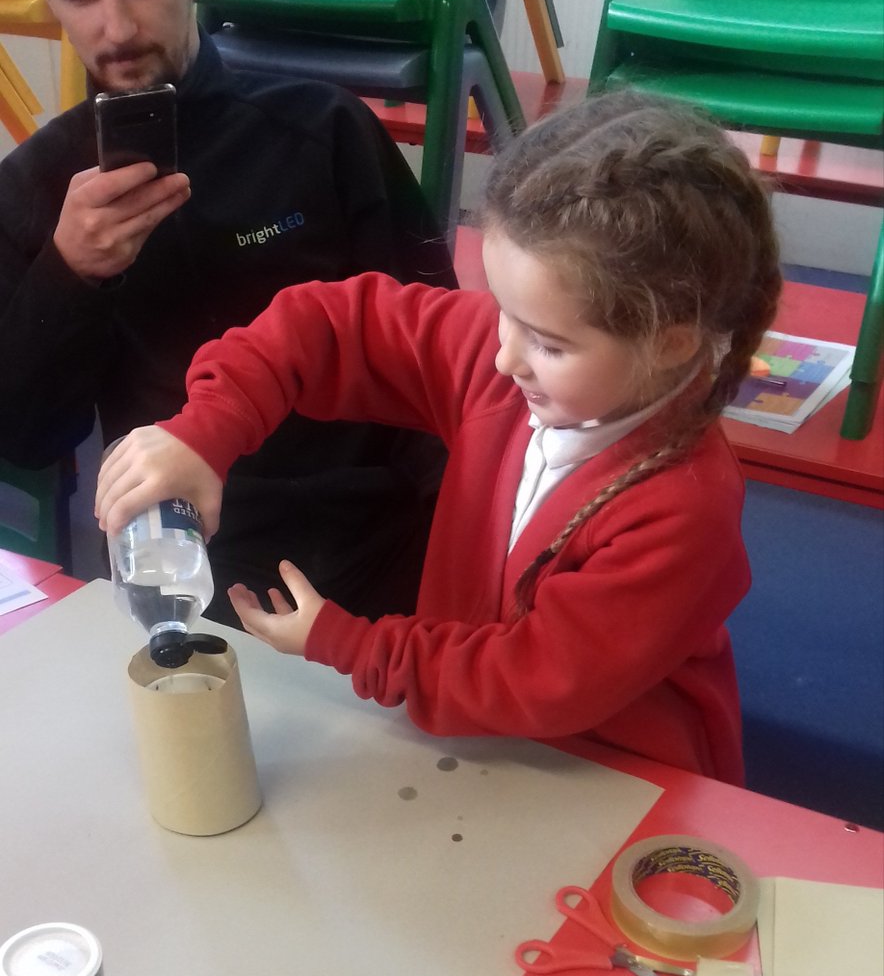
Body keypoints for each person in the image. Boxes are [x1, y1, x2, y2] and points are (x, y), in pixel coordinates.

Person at [96, 90, 782, 784]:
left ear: (670, 344)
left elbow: (539, 678)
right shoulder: (509, 366)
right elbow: (324, 325)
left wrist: (351, 645)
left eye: (547, 343)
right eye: (503, 312)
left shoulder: (681, 505)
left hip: (611, 775)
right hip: (476, 740)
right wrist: (206, 431)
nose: (505, 355)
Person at [0, 0, 455, 624]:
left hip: (370, 538)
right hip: (185, 560)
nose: (115, 27)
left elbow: (439, 356)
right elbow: (25, 435)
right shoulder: (35, 189)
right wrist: (69, 275)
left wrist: (457, 548)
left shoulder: (323, 131)